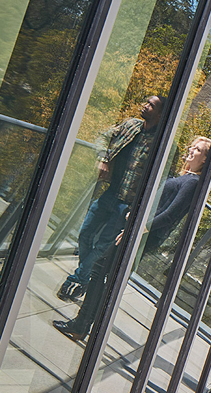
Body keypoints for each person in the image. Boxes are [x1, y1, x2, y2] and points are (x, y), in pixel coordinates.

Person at [53, 134, 211, 343]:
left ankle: (82, 326)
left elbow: (170, 215)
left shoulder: (192, 182)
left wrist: (138, 229)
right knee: (105, 274)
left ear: (205, 159)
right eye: (192, 146)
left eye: (197, 149)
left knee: (103, 272)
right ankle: (83, 326)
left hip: (144, 235)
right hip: (139, 231)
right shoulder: (186, 177)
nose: (191, 150)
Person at [57, 95, 163, 300]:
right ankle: (84, 278)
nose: (145, 106)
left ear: (160, 114)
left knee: (102, 246)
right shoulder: (131, 125)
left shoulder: (162, 143)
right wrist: (103, 159)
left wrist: (141, 210)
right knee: (84, 234)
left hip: (127, 206)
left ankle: (75, 280)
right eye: (146, 102)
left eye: (151, 105)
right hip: (109, 193)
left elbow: (163, 181)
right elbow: (103, 136)